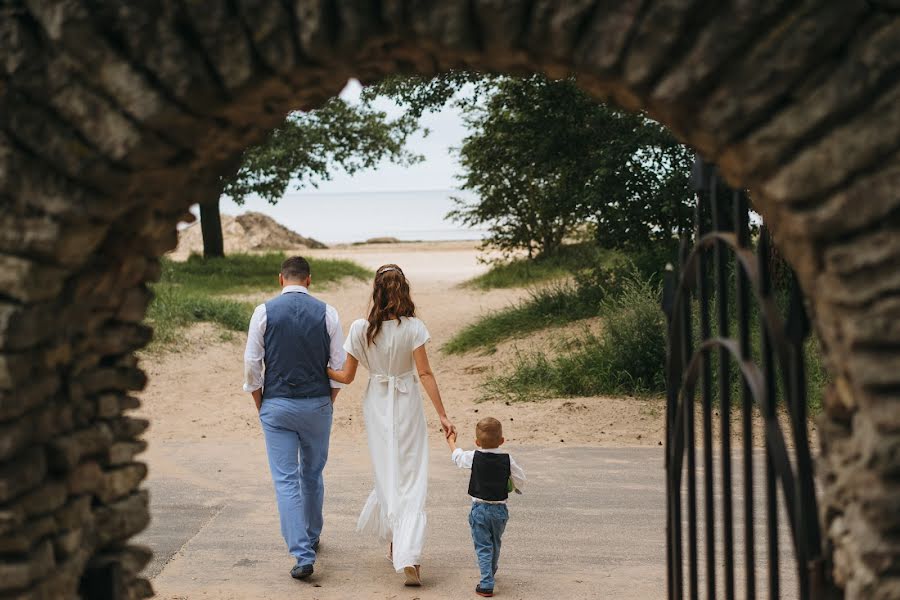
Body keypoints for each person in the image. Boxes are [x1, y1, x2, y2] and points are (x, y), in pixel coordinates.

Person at [327, 264, 455, 587]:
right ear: (404, 291)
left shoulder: (360, 329)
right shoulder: (413, 327)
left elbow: (346, 377)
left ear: (376, 292)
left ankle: (398, 544)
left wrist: (320, 368)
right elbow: (425, 374)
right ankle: (406, 552)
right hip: (408, 400)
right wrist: (442, 414)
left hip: (377, 405)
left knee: (388, 472)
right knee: (410, 473)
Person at [243, 256, 345, 580]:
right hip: (317, 405)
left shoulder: (263, 312)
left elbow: (252, 364)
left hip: (276, 404)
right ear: (309, 280)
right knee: (312, 474)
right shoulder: (328, 313)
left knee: (285, 480)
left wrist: (261, 403)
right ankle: (312, 536)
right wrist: (326, 401)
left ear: (281, 279)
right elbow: (338, 367)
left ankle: (302, 553)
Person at [447, 417, 526, 598]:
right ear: (502, 440)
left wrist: (451, 440)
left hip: (480, 510)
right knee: (495, 542)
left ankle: (486, 583)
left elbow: (457, 457)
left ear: (477, 442)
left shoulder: (474, 456)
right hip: (500, 511)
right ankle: (491, 571)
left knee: (483, 546)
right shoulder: (507, 459)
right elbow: (520, 478)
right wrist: (516, 487)